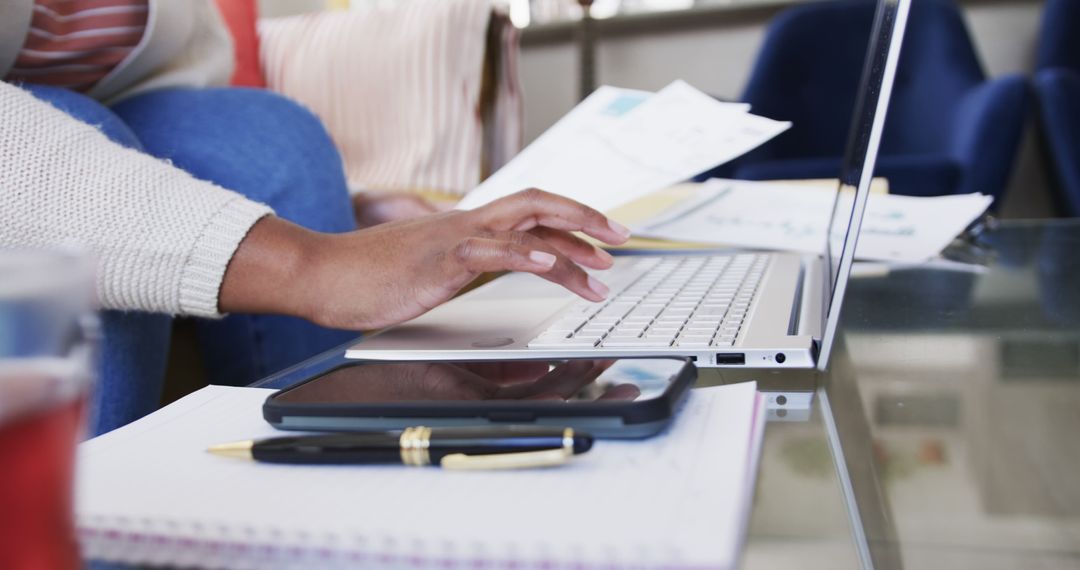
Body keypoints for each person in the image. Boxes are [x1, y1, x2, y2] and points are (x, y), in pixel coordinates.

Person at [0, 0, 628, 434]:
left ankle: (331, 491)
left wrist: (359, 207)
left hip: (117, 99)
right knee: (86, 132)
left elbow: (184, 69)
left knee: (279, 137)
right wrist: (312, 264)